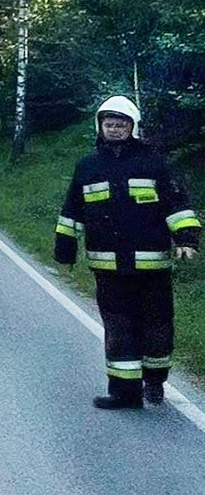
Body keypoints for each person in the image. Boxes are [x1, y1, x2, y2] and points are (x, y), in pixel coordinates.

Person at [54, 96, 201, 409]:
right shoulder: (88, 167)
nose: (115, 128)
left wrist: (187, 238)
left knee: (158, 328)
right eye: (109, 123)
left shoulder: (153, 162)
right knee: (119, 329)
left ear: (133, 126)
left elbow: (177, 204)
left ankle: (155, 382)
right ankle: (124, 393)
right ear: (100, 126)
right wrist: (64, 249)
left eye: (121, 123)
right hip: (109, 269)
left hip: (153, 268)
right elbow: (72, 211)